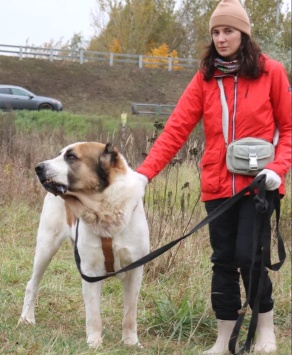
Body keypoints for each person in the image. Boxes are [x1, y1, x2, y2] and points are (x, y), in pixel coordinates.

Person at [136, 0, 291, 353]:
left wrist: (276, 169)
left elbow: (289, 128)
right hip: (217, 186)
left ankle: (265, 327)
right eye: (216, 32)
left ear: (244, 34)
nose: (221, 39)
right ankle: (224, 338)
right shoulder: (206, 78)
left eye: (229, 31)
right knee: (222, 260)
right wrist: (144, 174)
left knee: (249, 256)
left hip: (259, 187)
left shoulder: (272, 73)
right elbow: (175, 130)